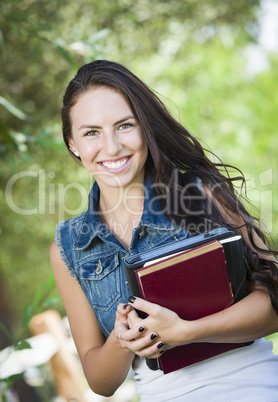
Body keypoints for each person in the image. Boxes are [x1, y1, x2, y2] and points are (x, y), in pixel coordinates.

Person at [50, 60, 278, 401]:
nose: (111, 147)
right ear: (73, 143)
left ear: (145, 127)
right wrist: (121, 340)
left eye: (125, 125)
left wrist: (186, 332)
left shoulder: (203, 194)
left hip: (253, 387)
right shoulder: (69, 247)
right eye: (91, 132)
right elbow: (101, 381)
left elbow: (273, 304)